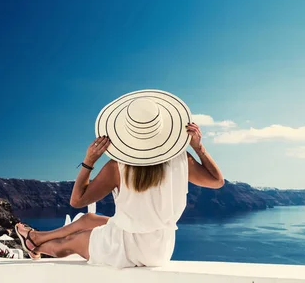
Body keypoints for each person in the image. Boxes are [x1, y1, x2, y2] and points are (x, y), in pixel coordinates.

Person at [15, 90, 224, 268]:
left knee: (70, 242)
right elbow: (216, 181)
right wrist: (198, 148)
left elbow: (77, 201)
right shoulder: (181, 159)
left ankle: (35, 245)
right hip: (160, 247)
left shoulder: (117, 167)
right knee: (88, 220)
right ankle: (38, 237)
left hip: (127, 248)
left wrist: (89, 161)